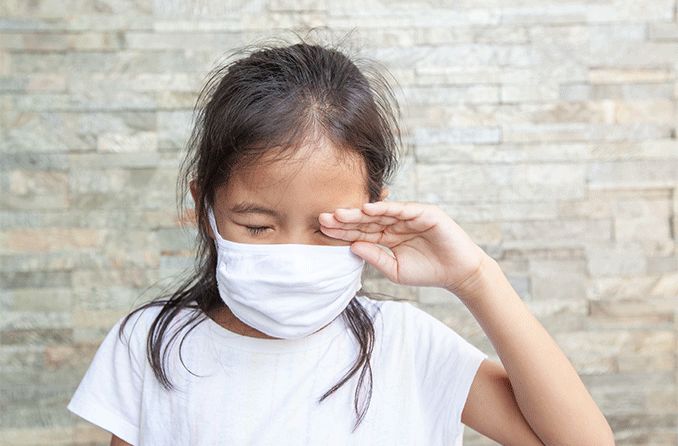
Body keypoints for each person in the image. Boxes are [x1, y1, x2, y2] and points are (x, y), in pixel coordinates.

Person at [66, 33, 615, 446]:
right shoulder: (151, 343)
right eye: (256, 226)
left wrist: (476, 278)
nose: (290, 257)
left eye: (328, 228)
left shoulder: (407, 345)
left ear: (375, 210)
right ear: (202, 205)